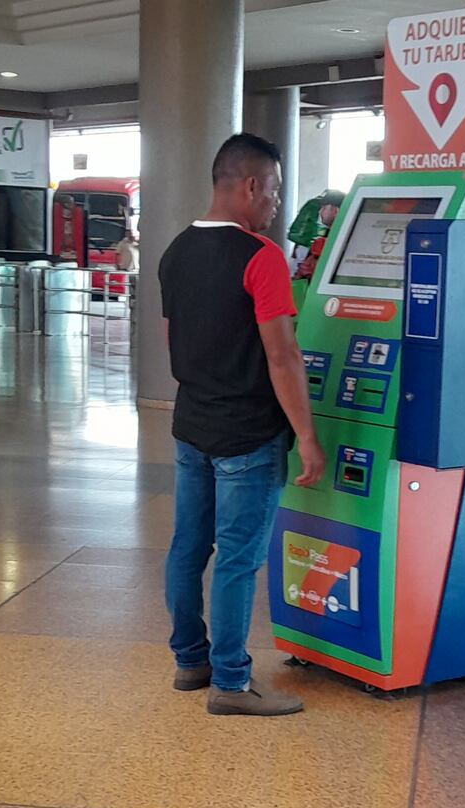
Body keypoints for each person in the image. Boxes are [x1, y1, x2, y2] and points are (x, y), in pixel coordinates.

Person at [159, 132, 326, 717]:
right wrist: (307, 437)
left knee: (188, 547)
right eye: (276, 191)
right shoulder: (261, 258)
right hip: (249, 437)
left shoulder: (175, 251)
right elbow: (283, 356)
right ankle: (231, 684)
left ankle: (191, 661)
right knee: (235, 557)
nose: (276, 205)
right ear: (250, 185)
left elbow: (173, 343)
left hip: (192, 427)